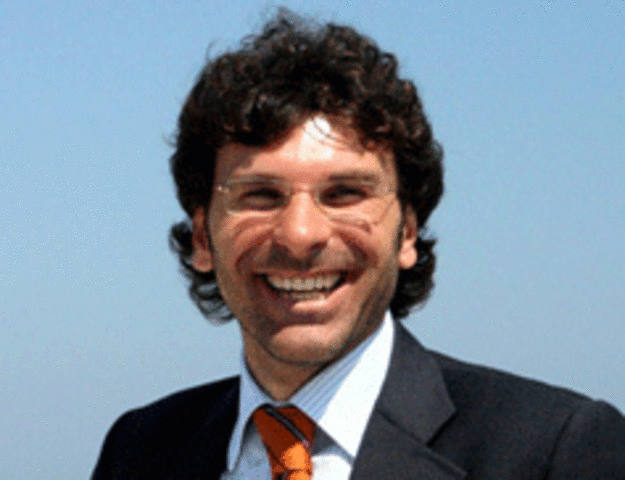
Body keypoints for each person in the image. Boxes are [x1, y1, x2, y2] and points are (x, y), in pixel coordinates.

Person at [92, 10, 625, 480]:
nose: (300, 235)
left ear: (407, 232)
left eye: (344, 193)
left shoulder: (556, 451)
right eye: (261, 195)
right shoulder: (139, 452)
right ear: (203, 238)